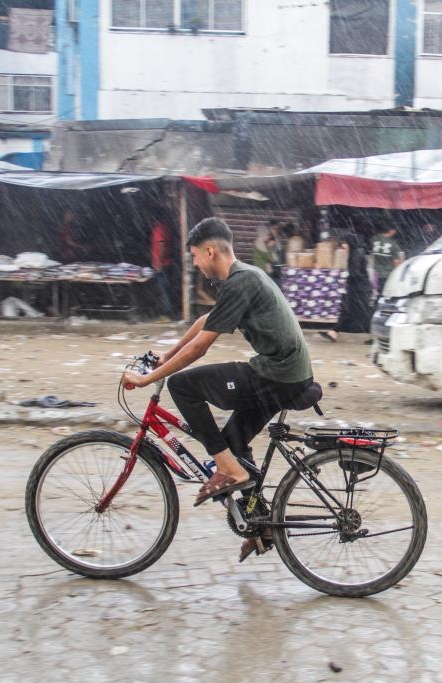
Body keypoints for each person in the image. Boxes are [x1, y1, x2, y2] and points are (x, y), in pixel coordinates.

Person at [121, 217, 313, 559]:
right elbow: (202, 324)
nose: (195, 262)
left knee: (183, 385)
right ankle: (263, 525)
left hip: (277, 374)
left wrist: (149, 379)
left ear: (210, 251)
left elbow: (201, 347)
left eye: (195, 256)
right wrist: (167, 352)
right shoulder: (239, 279)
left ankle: (230, 470)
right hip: (284, 373)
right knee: (232, 443)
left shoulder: (242, 282)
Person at [319, 231, 374, 342]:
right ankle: (333, 332)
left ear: (350, 243)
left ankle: (375, 336)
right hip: (358, 288)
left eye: (344, 243)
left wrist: (347, 280)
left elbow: (356, 273)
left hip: (359, 289)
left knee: (359, 312)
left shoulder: (356, 254)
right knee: (350, 311)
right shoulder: (358, 251)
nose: (343, 246)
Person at [150, 211, 176, 320]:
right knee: (167, 289)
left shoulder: (158, 230)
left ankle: (166, 314)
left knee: (164, 290)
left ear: (155, 219)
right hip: (168, 263)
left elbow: (162, 245)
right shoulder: (167, 228)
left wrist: (158, 262)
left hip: (163, 264)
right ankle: (168, 312)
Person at [371, 225, 402, 294]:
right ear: (391, 231)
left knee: (377, 292)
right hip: (387, 274)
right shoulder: (393, 244)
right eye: (394, 230)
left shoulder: (374, 239)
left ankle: (377, 301)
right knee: (386, 293)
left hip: (376, 273)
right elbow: (396, 262)